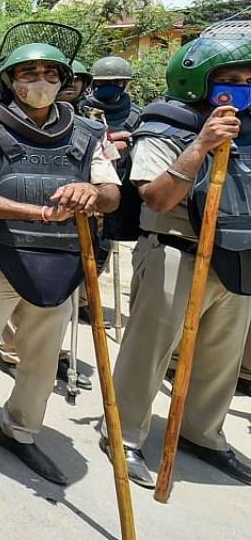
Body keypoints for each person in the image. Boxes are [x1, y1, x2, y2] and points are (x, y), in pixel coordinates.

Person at [0, 35, 120, 488]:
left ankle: (20, 431)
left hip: (61, 262)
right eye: (28, 74)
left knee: (43, 362)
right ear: (10, 81)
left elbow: (111, 194)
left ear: (65, 81)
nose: (40, 81)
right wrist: (37, 212)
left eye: (50, 74)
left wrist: (92, 193)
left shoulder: (89, 134)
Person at [102, 37, 251, 488]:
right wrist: (202, 145)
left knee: (221, 357)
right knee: (149, 351)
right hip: (176, 253)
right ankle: (123, 433)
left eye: (248, 80)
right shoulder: (165, 125)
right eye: (229, 81)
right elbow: (158, 196)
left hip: (237, 256)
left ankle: (201, 432)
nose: (241, 89)